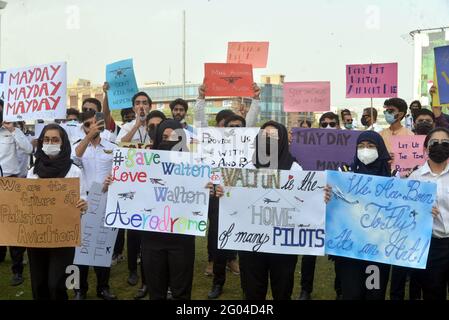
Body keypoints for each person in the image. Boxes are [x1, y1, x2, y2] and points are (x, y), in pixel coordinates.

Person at [219, 121, 302, 300]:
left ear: (282, 141)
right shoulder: (247, 168)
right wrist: (221, 192)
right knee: (252, 291)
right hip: (251, 244)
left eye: (273, 136)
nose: (268, 140)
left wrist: (320, 195)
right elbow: (234, 198)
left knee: (283, 290)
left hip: (282, 245)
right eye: (265, 136)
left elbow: (304, 200)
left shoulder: (295, 169)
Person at [325, 131, 392, 300]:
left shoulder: (392, 179)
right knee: (352, 293)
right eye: (361, 146)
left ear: (381, 149)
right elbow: (332, 208)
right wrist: (327, 197)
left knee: (374, 293)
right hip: (350, 252)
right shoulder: (344, 175)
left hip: (378, 253)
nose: (365, 150)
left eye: (371, 146)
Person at [26, 124, 87, 300]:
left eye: (55, 139)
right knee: (39, 282)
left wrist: (84, 204)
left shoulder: (74, 170)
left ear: (63, 143)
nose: (50, 142)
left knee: (57, 283)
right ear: (41, 142)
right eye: (46, 139)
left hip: (63, 236)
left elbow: (83, 196)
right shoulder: (33, 171)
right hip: (37, 236)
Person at [140, 119, 195, 299]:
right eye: (164, 137)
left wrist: (209, 189)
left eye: (175, 138)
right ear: (157, 138)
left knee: (181, 291)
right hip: (152, 237)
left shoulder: (193, 165)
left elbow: (199, 194)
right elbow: (132, 188)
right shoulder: (143, 163)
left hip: (182, 238)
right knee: (156, 291)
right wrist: (115, 182)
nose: (169, 142)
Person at [71, 110, 117, 300]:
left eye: (95, 123)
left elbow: (120, 171)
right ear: (84, 127)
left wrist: (111, 181)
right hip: (82, 201)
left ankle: (103, 287)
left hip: (105, 199)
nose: (93, 127)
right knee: (80, 248)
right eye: (88, 124)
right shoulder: (77, 146)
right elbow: (75, 157)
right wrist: (87, 137)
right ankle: (79, 289)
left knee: (102, 246)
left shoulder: (112, 146)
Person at [408, 127, 449, 300]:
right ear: (425, 148)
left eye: (445, 143)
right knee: (433, 292)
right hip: (432, 246)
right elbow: (405, 214)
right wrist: (419, 212)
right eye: (434, 143)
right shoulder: (415, 178)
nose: (440, 146)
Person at [0, 100, 33, 286]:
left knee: (13, 229)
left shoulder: (12, 131)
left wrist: (13, 130)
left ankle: (17, 269)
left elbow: (29, 149)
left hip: (10, 183)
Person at [194, 82, 261, 128]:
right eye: (224, 125)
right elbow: (200, 122)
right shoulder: (210, 136)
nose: (228, 129)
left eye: (235, 126)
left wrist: (256, 98)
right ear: (217, 125)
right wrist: (201, 96)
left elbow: (250, 122)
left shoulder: (242, 136)